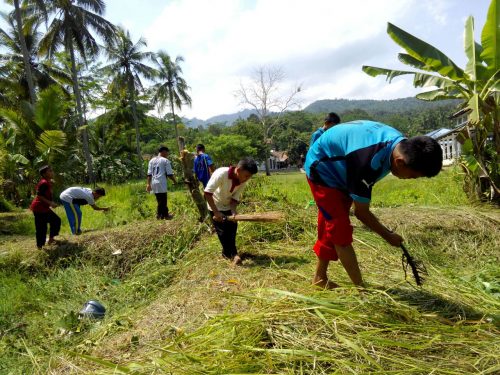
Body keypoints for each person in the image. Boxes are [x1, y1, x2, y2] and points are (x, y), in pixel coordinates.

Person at [305, 120, 443, 289]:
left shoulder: (397, 143)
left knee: (333, 224)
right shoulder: (367, 162)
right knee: (339, 230)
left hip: (344, 169)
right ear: (400, 162)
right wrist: (387, 235)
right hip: (322, 170)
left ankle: (319, 278)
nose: (409, 179)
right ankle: (362, 291)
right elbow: (361, 213)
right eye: (413, 176)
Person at [204, 157, 258, 265]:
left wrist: (233, 212)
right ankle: (232, 255)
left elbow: (234, 199)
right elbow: (207, 193)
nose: (247, 179)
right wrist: (216, 212)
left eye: (250, 177)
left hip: (228, 205)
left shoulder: (243, 180)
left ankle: (229, 253)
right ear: (238, 170)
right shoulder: (221, 174)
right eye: (246, 176)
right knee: (222, 232)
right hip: (215, 204)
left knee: (232, 229)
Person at [30, 165, 61, 249]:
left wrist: (50, 203)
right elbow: (39, 196)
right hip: (39, 208)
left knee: (56, 220)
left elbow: (45, 194)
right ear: (44, 174)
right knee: (41, 228)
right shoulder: (44, 183)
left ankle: (51, 240)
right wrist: (50, 203)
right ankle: (40, 247)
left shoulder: (47, 182)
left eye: (52, 170)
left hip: (43, 208)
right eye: (50, 171)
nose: (52, 172)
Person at [147, 146, 177, 219]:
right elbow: (169, 174)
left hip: (154, 182)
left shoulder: (151, 160)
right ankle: (161, 215)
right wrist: (175, 181)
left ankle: (163, 215)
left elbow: (149, 174)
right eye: (167, 152)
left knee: (159, 199)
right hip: (161, 181)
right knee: (163, 200)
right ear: (163, 151)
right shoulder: (165, 160)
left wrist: (148, 184)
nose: (167, 154)